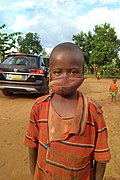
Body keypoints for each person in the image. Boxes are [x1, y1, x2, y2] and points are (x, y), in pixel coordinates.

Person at [24, 42, 111, 180]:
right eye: (58, 72)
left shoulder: (93, 111)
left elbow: (101, 157)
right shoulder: (39, 106)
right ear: (50, 74)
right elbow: (32, 146)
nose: (65, 78)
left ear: (82, 72)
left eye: (73, 72)